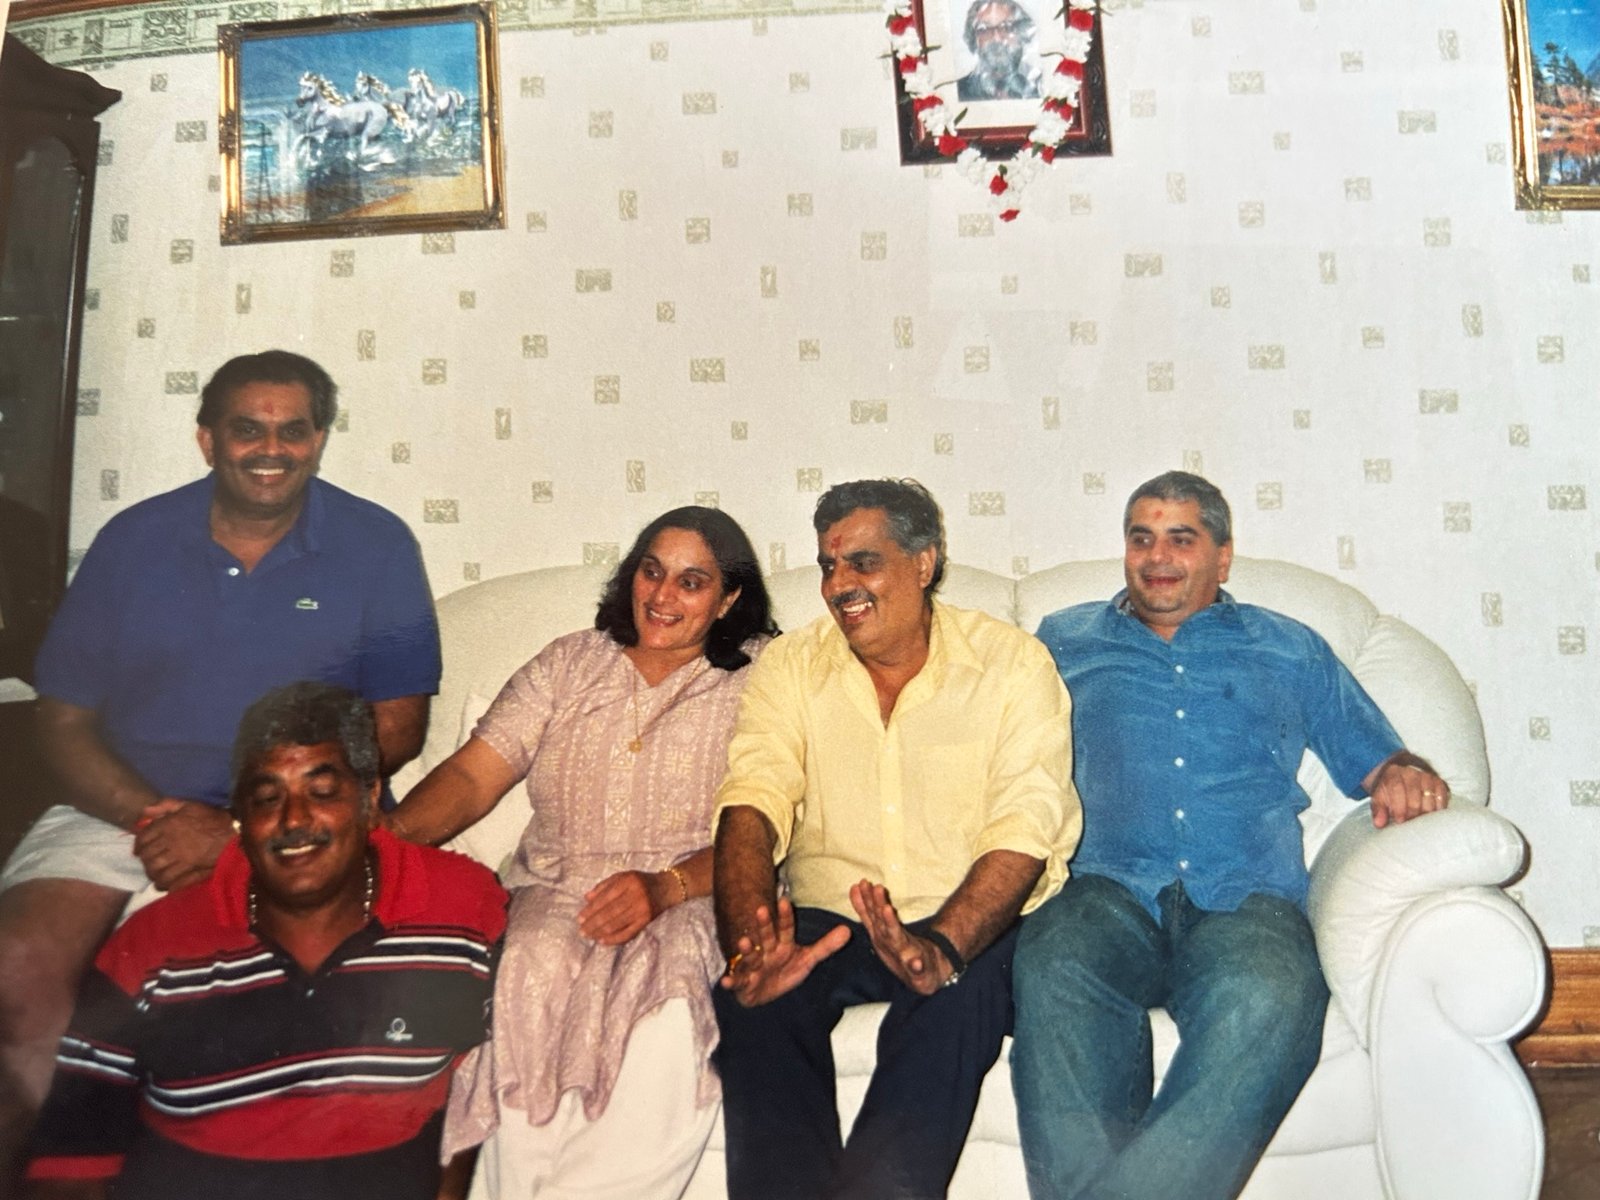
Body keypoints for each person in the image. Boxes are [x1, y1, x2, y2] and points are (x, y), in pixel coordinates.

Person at [0, 349, 440, 1184]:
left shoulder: (376, 545)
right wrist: (159, 819)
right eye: (247, 429)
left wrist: (245, 824)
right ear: (208, 439)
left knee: (244, 1011)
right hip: (126, 811)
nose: (271, 449)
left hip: (302, 822)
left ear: (319, 440)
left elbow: (398, 728)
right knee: (16, 970)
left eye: (293, 430)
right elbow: (61, 721)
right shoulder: (134, 541)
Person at [1011, 470, 1452, 1200]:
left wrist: (1405, 772)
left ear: (1222, 556)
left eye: (1181, 540)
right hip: (1103, 888)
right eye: (1141, 539)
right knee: (1053, 966)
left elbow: (1379, 757)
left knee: (1271, 997)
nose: (1157, 557)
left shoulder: (1290, 647)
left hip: (1246, 900)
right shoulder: (1063, 641)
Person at [386, 505, 777, 1200]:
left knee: (666, 1014)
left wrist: (664, 887)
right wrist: (379, 845)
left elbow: (774, 822)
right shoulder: (570, 662)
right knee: (525, 974)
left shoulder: (764, 677)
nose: (662, 595)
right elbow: (474, 776)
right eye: (652, 572)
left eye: (691, 582)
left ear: (729, 599)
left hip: (690, 893)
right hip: (556, 888)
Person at [712, 478, 1080, 1200]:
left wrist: (941, 944)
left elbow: (1026, 825)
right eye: (828, 565)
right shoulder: (791, 665)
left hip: (967, 917)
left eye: (863, 562)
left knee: (955, 995)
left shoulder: (1011, 664)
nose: (838, 585)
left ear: (923, 562)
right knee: (756, 998)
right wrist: (749, 948)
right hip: (833, 919)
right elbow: (751, 802)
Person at [23, 681, 506, 1199]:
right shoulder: (154, 946)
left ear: (369, 802)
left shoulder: (462, 912)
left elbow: (477, 1098)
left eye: (322, 792)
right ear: (240, 818)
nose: (293, 819)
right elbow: (70, 1163)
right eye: (267, 798)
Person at [957, 0, 1041, 102]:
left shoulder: (1043, 85)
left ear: (1022, 32)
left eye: (1006, 27)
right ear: (973, 39)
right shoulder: (958, 92)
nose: (996, 39)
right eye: (984, 30)